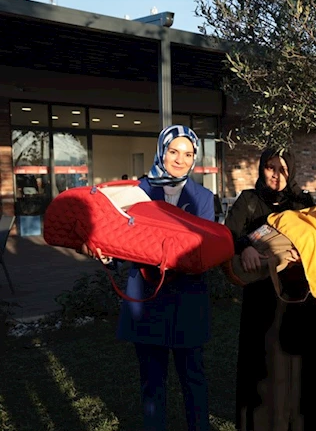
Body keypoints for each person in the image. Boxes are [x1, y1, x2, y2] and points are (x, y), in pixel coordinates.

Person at [81, 125, 215, 431]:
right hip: (147, 301)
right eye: (173, 152)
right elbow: (119, 241)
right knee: (152, 383)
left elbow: (199, 251)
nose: (180, 160)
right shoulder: (135, 193)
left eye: (188, 154)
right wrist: (105, 253)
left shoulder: (204, 198)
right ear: (161, 152)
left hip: (187, 300)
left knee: (193, 378)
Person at [224, 148, 316, 431]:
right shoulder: (249, 201)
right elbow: (228, 234)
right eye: (270, 167)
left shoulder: (303, 202)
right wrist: (245, 247)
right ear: (262, 168)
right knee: (265, 364)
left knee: (300, 363)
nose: (277, 175)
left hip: (301, 299)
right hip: (263, 300)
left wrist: (306, 253)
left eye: (283, 169)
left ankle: (300, 421)